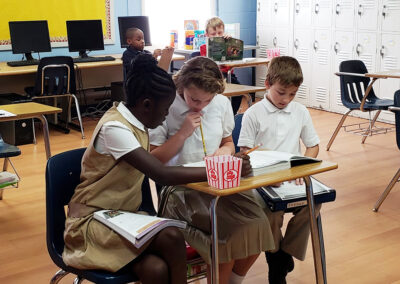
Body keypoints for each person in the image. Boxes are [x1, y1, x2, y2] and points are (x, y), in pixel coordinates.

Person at [62, 53, 252, 284]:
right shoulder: (114, 128)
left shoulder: (135, 122)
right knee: (171, 236)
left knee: (156, 270)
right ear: (146, 104)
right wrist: (223, 168)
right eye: (164, 111)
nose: (165, 118)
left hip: (122, 216)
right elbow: (162, 174)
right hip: (93, 220)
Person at [149, 56, 274, 284]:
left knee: (260, 222)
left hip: (217, 183)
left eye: (207, 101)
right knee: (225, 231)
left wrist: (225, 153)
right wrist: (183, 133)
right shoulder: (164, 105)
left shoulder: (220, 103)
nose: (200, 106)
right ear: (181, 84)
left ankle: (234, 279)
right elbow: (154, 161)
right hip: (179, 188)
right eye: (194, 99)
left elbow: (228, 142)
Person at [237, 56, 321, 284]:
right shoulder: (253, 113)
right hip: (263, 178)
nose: (286, 99)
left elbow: (313, 146)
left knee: (314, 202)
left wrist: (303, 170)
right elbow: (245, 153)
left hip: (292, 176)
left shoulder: (300, 111)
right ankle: (276, 261)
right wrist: (265, 176)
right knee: (269, 213)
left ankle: (282, 254)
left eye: (292, 94)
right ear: (267, 84)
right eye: (281, 92)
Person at [197, 16, 246, 115]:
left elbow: (232, 63)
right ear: (207, 35)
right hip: (211, 76)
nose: (217, 36)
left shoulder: (227, 43)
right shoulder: (203, 47)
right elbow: (204, 65)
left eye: (220, 33)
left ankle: (231, 115)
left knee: (239, 91)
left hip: (227, 75)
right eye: (213, 34)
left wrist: (229, 43)